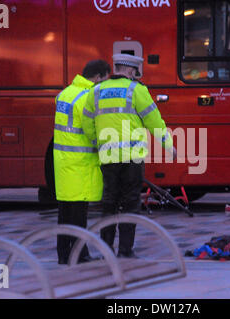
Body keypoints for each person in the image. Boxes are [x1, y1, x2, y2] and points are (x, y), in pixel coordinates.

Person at [82, 53, 176, 258]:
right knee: (130, 203)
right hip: (132, 158)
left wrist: (97, 143)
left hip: (108, 158)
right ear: (132, 70)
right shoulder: (137, 90)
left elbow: (87, 124)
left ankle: (106, 249)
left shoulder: (96, 91)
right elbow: (154, 121)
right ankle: (125, 250)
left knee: (109, 203)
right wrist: (168, 145)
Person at [53, 59, 111, 264]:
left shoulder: (65, 93)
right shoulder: (87, 97)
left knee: (65, 212)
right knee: (79, 214)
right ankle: (81, 255)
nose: (104, 84)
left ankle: (63, 255)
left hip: (62, 162)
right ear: (97, 77)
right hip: (81, 163)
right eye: (104, 80)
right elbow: (91, 129)